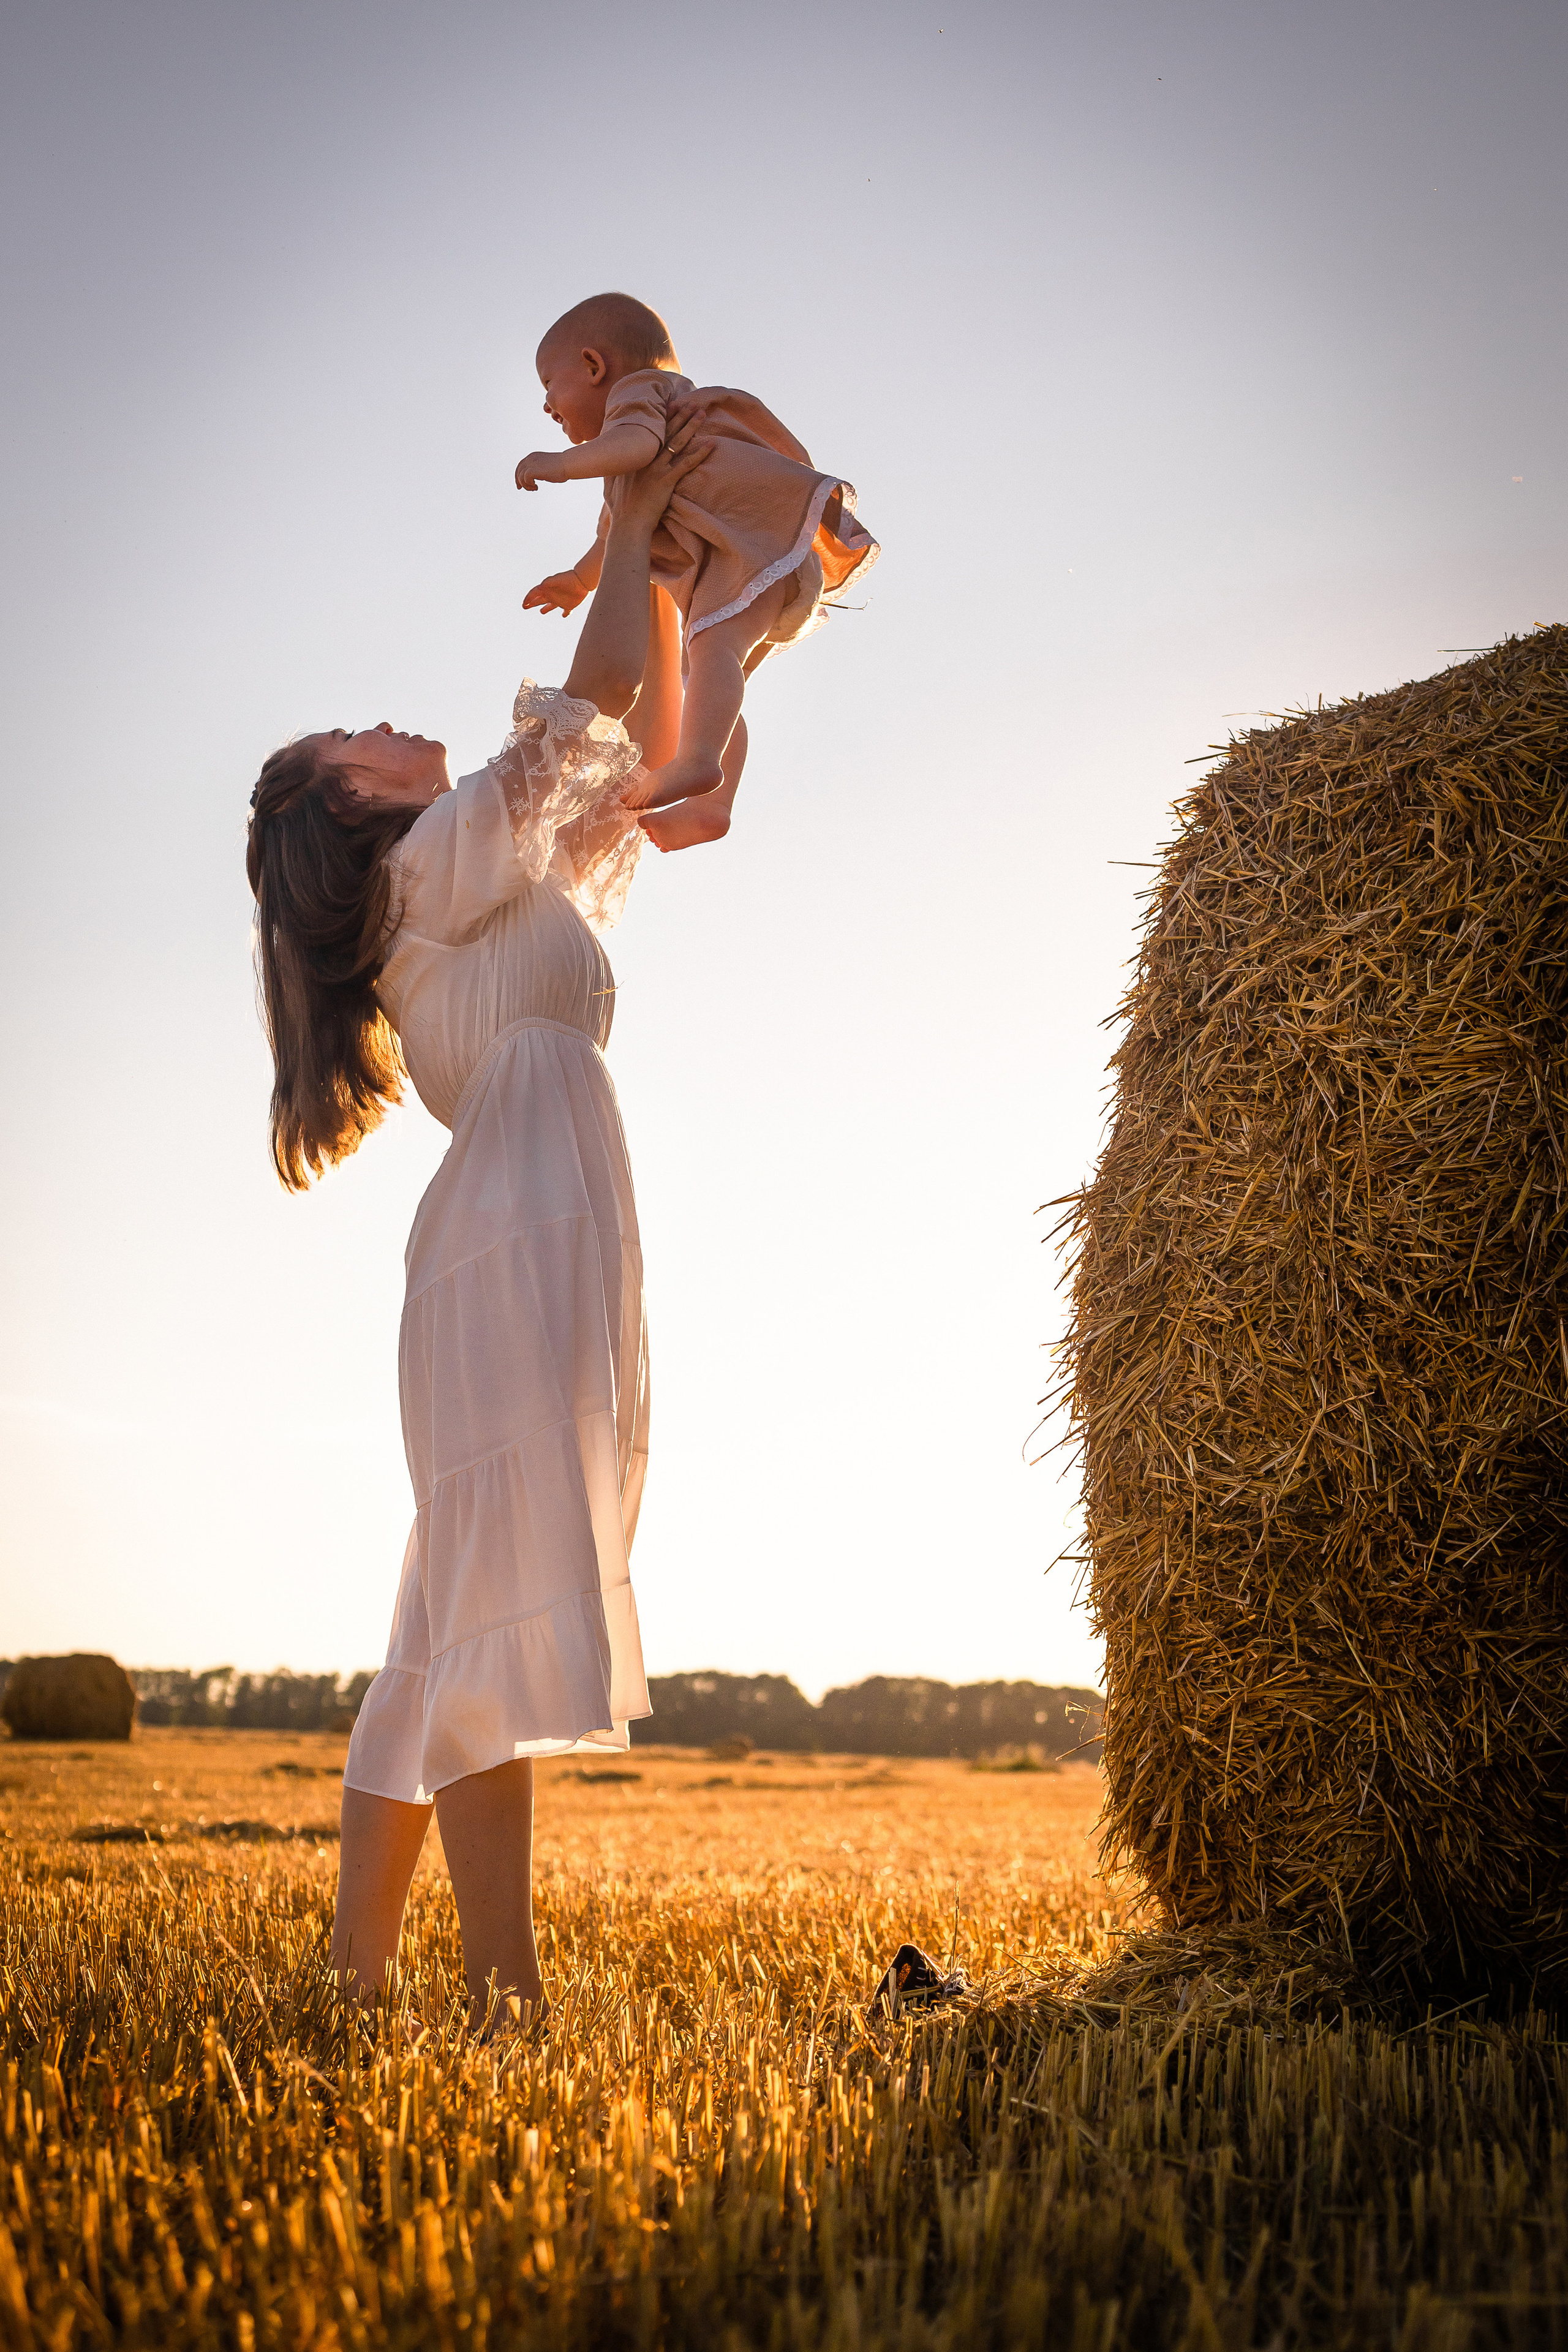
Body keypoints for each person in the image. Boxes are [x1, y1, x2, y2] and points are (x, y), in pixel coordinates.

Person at [244, 412, 712, 2029]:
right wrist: (641, 515)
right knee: (485, 1610)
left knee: (450, 1618)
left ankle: (352, 1978)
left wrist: (665, 554)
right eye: (354, 733)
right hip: (514, 1232)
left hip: (529, 1218)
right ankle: (499, 1989)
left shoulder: (472, 880)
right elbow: (588, 716)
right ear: (349, 801)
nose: (391, 721)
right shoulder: (429, 871)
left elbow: (632, 728)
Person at [516, 291, 878, 849]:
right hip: (751, 568)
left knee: (713, 659)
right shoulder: (634, 443)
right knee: (709, 679)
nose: (546, 405)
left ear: (594, 365)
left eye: (549, 385)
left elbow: (635, 447)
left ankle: (698, 765)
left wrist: (561, 465)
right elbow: (615, 535)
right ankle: (712, 805)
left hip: (752, 555)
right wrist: (578, 579)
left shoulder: (640, 397)